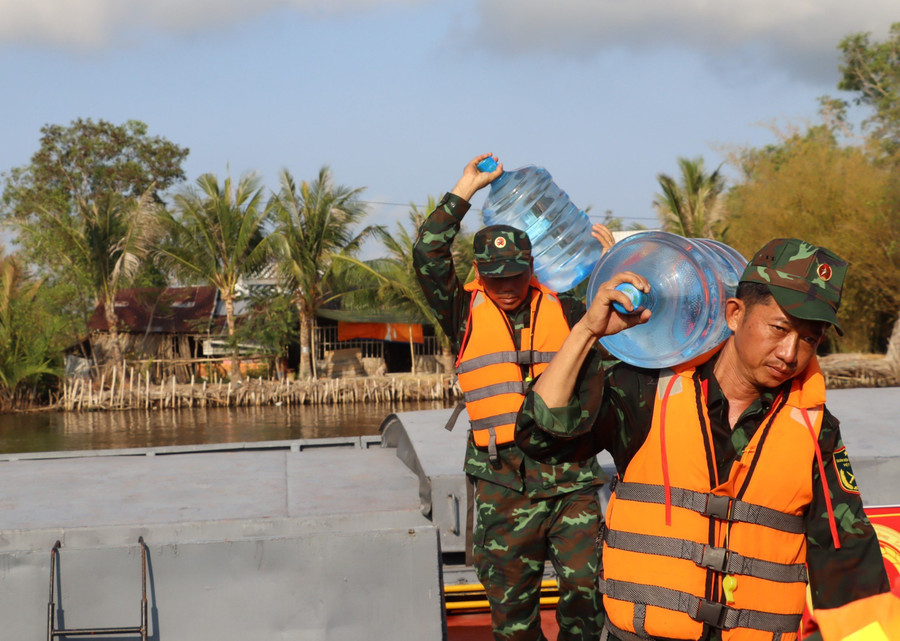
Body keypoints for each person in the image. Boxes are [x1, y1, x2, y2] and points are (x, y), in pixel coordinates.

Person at [515, 238, 892, 641]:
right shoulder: (645, 391)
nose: (789, 353)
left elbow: (848, 562)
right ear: (734, 314)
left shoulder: (817, 430)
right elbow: (540, 436)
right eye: (779, 328)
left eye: (809, 340)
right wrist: (588, 333)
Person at [413, 153, 614, 641]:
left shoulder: (567, 303)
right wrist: (465, 187)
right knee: (512, 613)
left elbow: (613, 304)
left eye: (515, 274)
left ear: (532, 265)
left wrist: (608, 259)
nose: (506, 286)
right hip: (503, 483)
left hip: (571, 479)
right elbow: (427, 255)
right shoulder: (462, 310)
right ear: (480, 272)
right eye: (495, 276)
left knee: (589, 593)